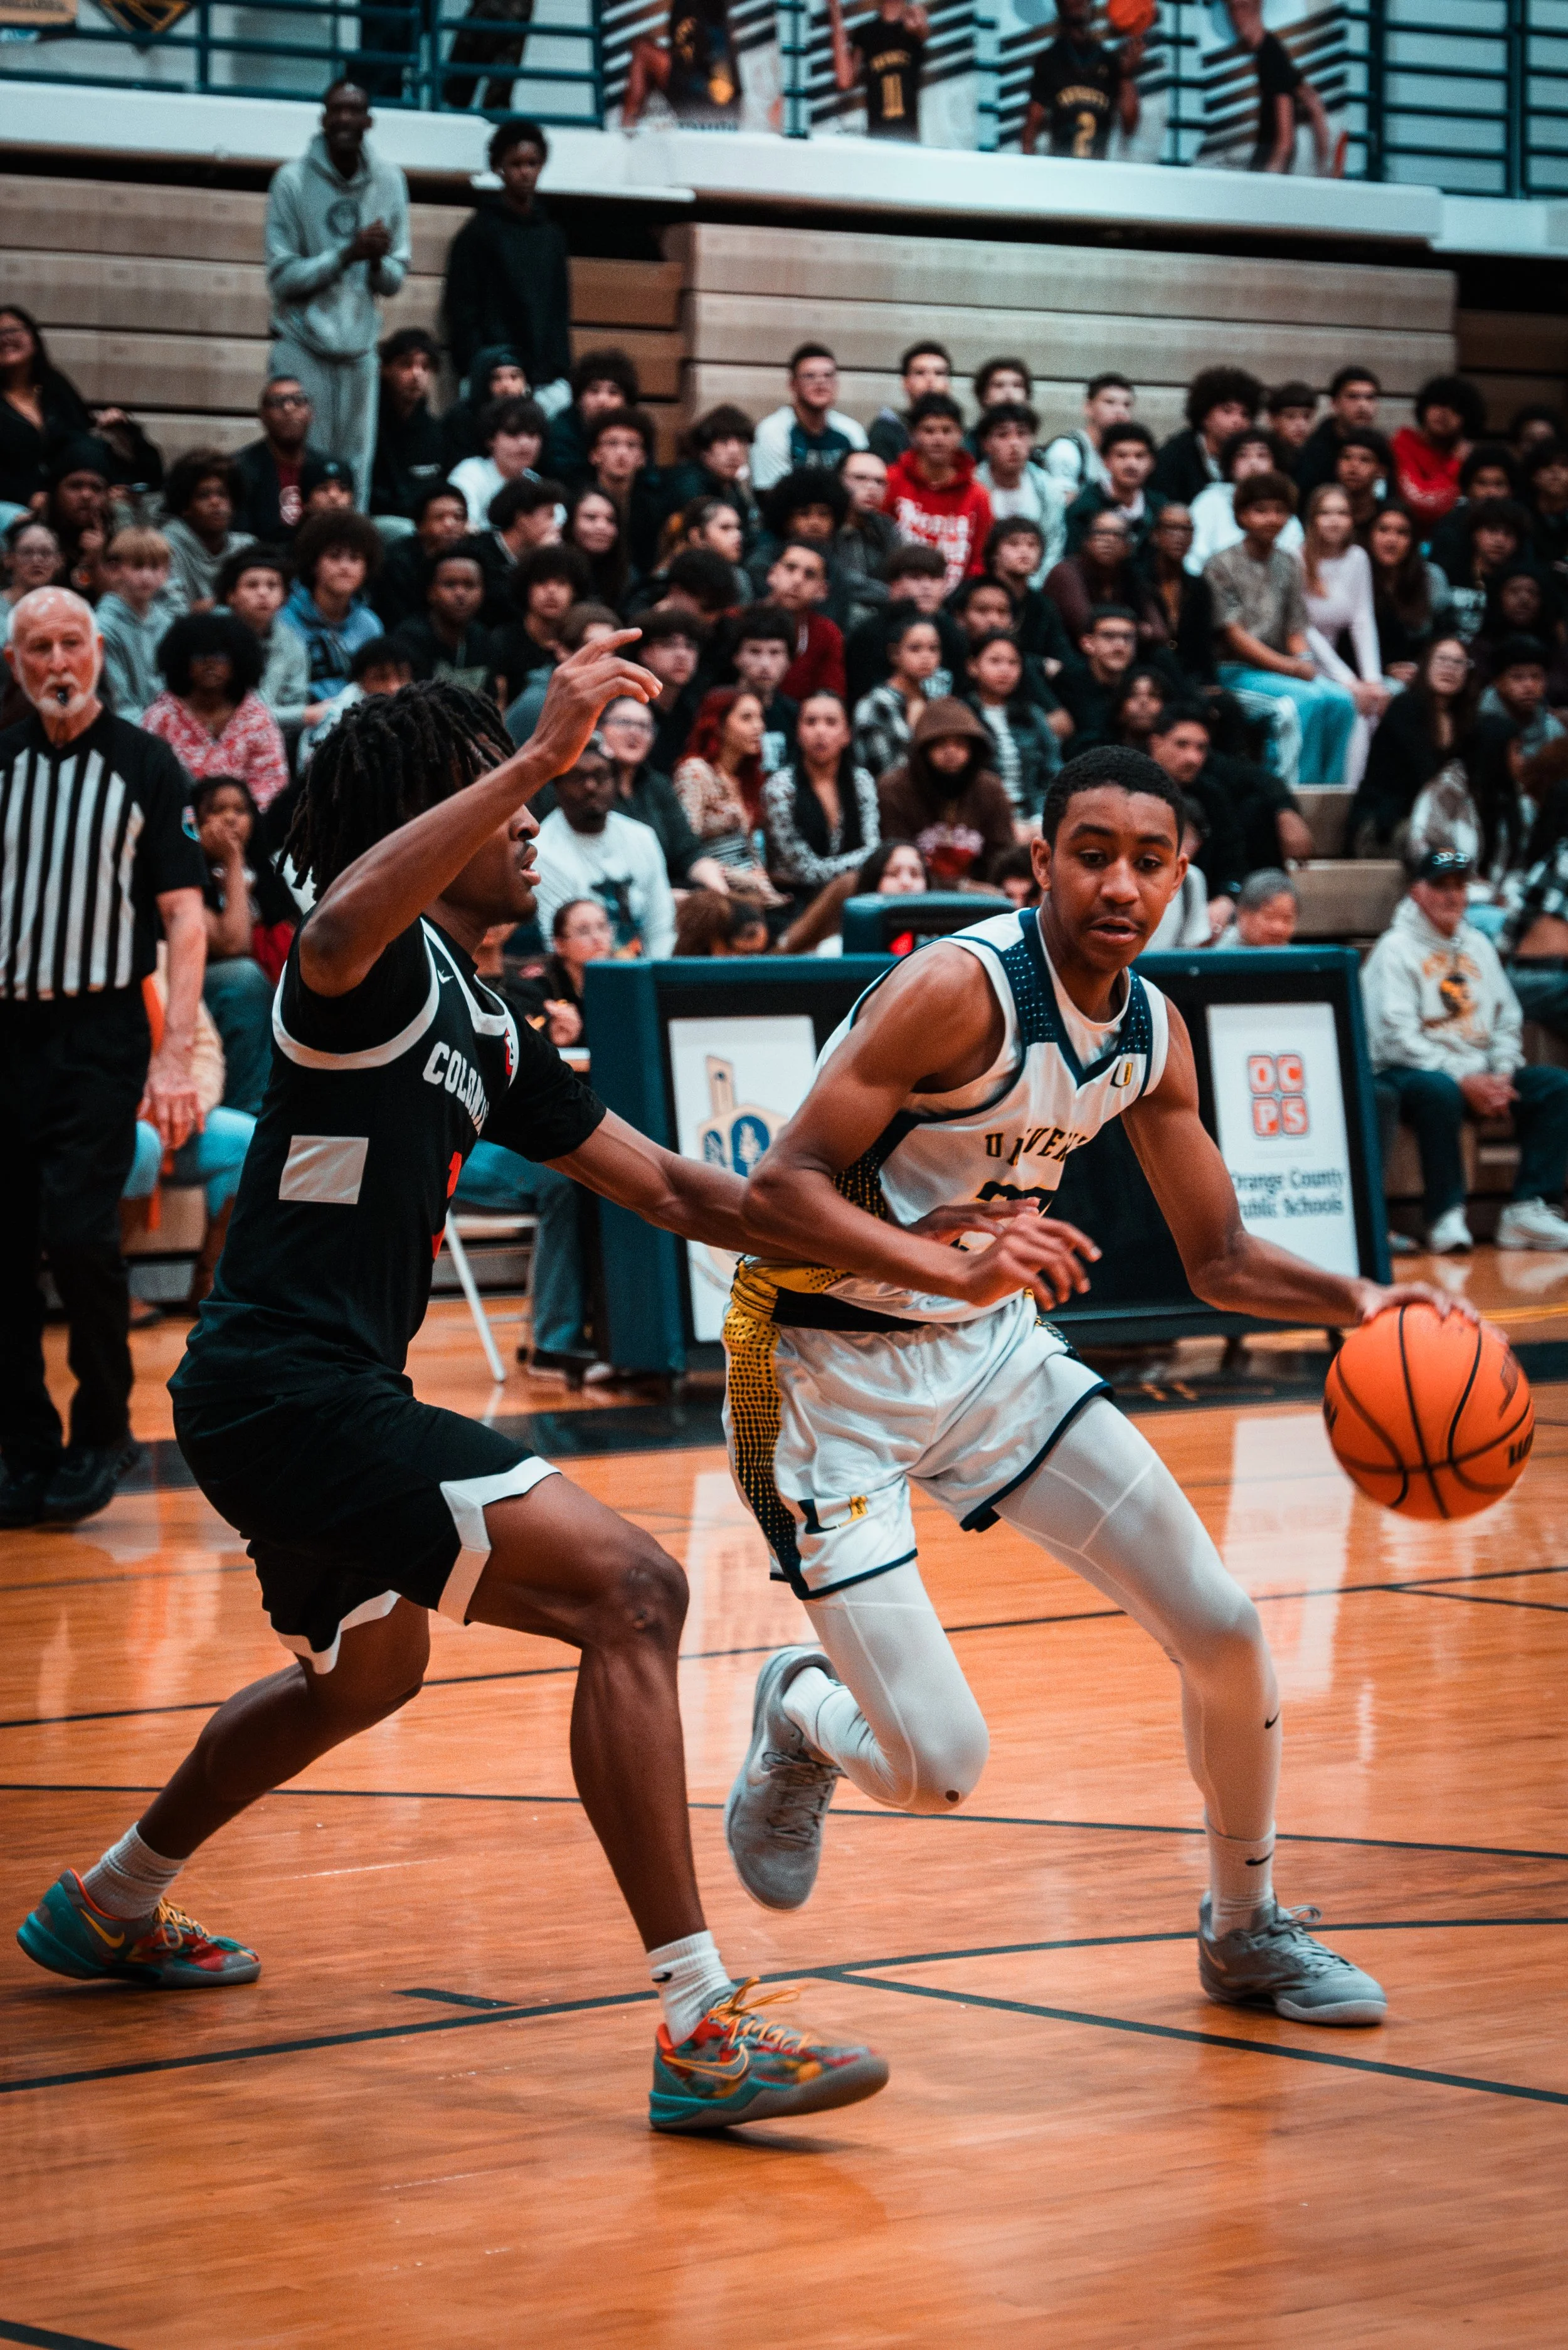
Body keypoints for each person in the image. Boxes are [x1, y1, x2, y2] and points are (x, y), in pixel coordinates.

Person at [14, 644, 884, 2136]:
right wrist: (538, 748)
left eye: (538, 784)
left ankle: (108, 1903)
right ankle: (697, 2020)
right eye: (509, 790)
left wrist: (912, 1254)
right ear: (444, 805)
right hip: (288, 1386)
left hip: (293, 1391)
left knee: (368, 1670)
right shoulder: (365, 970)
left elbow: (675, 1184)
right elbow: (341, 911)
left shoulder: (483, 1020)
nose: (539, 819)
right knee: (635, 1593)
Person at [719, 740, 1473, 2041]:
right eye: (1089, 855)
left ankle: (1244, 1930)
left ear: (1180, 873)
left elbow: (1220, 1258)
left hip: (988, 1359)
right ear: (1037, 862)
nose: (1117, 884)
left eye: (1147, 859)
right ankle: (796, 1710)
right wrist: (944, 1264)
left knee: (1225, 1632)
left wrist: (1364, 1301)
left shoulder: (1147, 1031)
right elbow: (772, 1193)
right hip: (814, 1369)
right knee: (935, 1770)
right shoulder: (953, 991)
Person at [0, 588, 206, 1529]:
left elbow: (184, 918)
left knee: (80, 1233)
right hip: (7, 1030)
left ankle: (102, 1430)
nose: (56, 663)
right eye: (37, 646)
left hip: (100, 1030)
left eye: (70, 644)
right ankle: (23, 1446)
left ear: (97, 652)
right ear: (15, 661)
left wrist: (172, 1058)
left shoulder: (145, 763)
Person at [1364, 847, 1568, 1252]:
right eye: (1441, 886)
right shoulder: (1394, 949)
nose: (1452, 896)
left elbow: (1507, 1018)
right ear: (1417, 892)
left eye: (1459, 886)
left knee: (1555, 1085)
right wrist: (1463, 1078)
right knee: (1439, 1090)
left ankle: (1528, 1208)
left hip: (1479, 1068)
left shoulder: (1478, 945)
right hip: (1407, 1071)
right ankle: (1445, 1215)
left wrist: (1503, 1072)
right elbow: (1395, 1038)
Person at [264, 81, 410, 507]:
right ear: (324, 118)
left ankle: (350, 561)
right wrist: (346, 254)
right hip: (302, 346)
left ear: (369, 121)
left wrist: (379, 260)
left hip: (360, 349)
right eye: (337, 110)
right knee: (299, 466)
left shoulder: (390, 180)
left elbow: (394, 280)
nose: (345, 119)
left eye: (355, 110)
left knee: (355, 475)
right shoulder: (291, 180)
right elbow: (282, 278)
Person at [1207, 470, 1357, 786]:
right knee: (1302, 703)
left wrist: (1303, 661)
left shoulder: (1288, 563)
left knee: (1342, 701)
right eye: (1260, 510)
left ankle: (1328, 799)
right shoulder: (1221, 564)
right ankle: (1291, 799)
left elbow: (1295, 629)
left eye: (1279, 510)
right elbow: (1234, 636)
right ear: (1242, 516)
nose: (1271, 519)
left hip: (1278, 672)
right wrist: (1290, 667)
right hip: (1234, 671)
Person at [443, 118, 572, 407]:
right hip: (494, 375)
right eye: (516, 164)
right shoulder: (478, 233)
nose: (525, 173)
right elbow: (463, 309)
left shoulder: (552, 235)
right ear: (499, 167)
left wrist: (556, 368)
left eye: (533, 163)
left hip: (543, 379)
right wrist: (481, 367)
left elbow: (558, 311)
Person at [191, 773, 297, 1114]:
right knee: (244, 977)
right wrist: (233, 860)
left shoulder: (266, 876)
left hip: (266, 994)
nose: (230, 818)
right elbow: (234, 944)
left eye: (240, 809)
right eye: (217, 810)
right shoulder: (184, 872)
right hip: (199, 993)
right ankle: (250, 1113)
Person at [534, 737, 677, 958]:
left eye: (600, 777)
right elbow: (560, 942)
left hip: (645, 971)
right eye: (578, 778)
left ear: (616, 783)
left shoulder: (642, 837)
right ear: (557, 785)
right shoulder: (541, 851)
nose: (590, 786)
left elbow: (661, 926)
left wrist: (657, 980)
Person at [141, 611, 290, 813]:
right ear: (183, 661)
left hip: (247, 828)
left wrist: (237, 820)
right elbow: (146, 785)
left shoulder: (256, 718)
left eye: (221, 656)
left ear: (238, 660)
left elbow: (271, 782)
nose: (211, 665)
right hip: (175, 826)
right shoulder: (160, 718)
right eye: (201, 656)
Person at [1300, 482, 1391, 790]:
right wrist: (1350, 682)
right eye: (1325, 513)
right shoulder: (1296, 557)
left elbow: (1362, 621)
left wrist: (1373, 679)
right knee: (1353, 704)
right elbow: (1303, 629)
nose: (1334, 520)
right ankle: (1336, 795)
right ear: (1312, 519)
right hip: (1305, 659)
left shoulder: (1357, 558)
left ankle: (1361, 794)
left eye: (1342, 513)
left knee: (1377, 703)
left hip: (1336, 658)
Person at [1351, 633, 1477, 855]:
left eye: (1458, 662)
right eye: (1442, 660)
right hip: (1384, 826)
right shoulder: (1404, 708)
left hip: (1439, 824)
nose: (1450, 668)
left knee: (1464, 840)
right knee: (1445, 849)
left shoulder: (1467, 721)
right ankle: (1443, 885)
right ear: (1426, 664)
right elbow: (1425, 775)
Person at [596, 691, 729, 891]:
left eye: (644, 726)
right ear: (599, 729)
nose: (635, 732)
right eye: (624, 723)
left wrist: (719, 891)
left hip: (671, 890)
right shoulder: (587, 787)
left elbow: (688, 852)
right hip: (613, 895)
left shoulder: (658, 785)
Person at [876, 695, 1014, 884]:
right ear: (923, 749)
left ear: (974, 749)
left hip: (981, 898)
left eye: (960, 743)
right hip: (911, 894)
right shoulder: (894, 790)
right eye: (941, 744)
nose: (951, 751)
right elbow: (892, 861)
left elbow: (1003, 857)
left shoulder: (990, 789)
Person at [762, 690, 880, 902]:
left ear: (847, 735)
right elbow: (805, 870)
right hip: (795, 900)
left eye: (831, 722)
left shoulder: (861, 781)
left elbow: (873, 845)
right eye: (811, 722)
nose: (820, 731)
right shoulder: (780, 788)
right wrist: (866, 863)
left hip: (857, 898)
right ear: (798, 733)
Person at [673, 687, 782, 902]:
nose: (758, 727)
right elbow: (687, 849)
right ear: (718, 725)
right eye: (746, 718)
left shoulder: (745, 778)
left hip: (751, 890)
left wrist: (769, 892)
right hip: (711, 890)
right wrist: (747, 881)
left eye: (760, 717)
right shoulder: (695, 771)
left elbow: (750, 851)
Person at [882, 393, 993, 595]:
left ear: (960, 435)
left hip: (955, 604)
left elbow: (979, 561)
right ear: (913, 435)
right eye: (929, 430)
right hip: (894, 598)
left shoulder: (978, 495)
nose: (938, 439)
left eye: (947, 431)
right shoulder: (892, 479)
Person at [278, 510, 385, 711]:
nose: (345, 567)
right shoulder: (284, 618)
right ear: (314, 564)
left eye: (354, 559)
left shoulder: (369, 624)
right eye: (334, 557)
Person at [0, 304, 93, 512]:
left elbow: (82, 437)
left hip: (66, 504)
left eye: (12, 330)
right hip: (10, 505)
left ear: (34, 339)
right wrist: (27, 496)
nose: (5, 338)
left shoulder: (55, 386)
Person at [965, 627, 1061, 822]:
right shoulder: (961, 714)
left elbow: (1054, 773)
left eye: (1013, 663)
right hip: (981, 820)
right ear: (973, 667)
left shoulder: (1033, 715)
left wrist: (1042, 817)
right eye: (995, 661)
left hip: (1034, 815)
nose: (1005, 670)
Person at [1021, 0, 1141, 157]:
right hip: (1061, 169)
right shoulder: (1049, 60)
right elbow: (1032, 125)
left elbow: (1129, 127)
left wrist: (1126, 77)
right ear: (1060, 5)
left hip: (1098, 172)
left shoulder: (1108, 61)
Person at [1227, 0, 1334, 172]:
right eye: (1231, 8)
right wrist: (1324, 167)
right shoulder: (1269, 51)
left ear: (1258, 5)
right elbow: (1313, 103)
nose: (1237, 17)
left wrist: (1270, 179)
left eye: (1243, 7)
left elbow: (1285, 139)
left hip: (1267, 169)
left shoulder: (1271, 56)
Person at [1184, 426, 1303, 578]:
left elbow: (1293, 556)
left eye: (1262, 455)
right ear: (1231, 466)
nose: (1253, 463)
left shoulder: (1282, 506)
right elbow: (1194, 557)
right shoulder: (1211, 500)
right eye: (1243, 456)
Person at [751, 345, 869, 494]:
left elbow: (863, 489)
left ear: (836, 384)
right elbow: (772, 496)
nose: (820, 382)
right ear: (793, 384)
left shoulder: (852, 431)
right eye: (809, 376)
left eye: (828, 376)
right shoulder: (772, 431)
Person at [95, 526, 183, 722]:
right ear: (115, 569)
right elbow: (118, 700)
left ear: (166, 571)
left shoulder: (167, 623)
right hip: (127, 729)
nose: (146, 576)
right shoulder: (104, 627)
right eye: (137, 567)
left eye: (154, 567)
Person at [1045, 511, 1165, 650]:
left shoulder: (1130, 574)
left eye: (1117, 535)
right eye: (1100, 533)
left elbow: (1160, 631)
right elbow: (1088, 625)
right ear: (1087, 542)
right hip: (1073, 654)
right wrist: (1140, 630)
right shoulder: (1066, 572)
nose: (1108, 540)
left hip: (1118, 651)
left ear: (1128, 547)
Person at [233, 378, 332, 543]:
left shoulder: (328, 468)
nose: (289, 408)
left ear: (311, 413)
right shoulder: (240, 469)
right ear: (263, 416)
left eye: (298, 400)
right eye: (278, 402)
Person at [160, 448, 254, 615]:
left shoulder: (246, 548)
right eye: (204, 495)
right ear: (185, 507)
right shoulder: (164, 547)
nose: (216, 503)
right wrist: (233, 604)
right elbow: (172, 615)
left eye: (223, 494)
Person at [975, 403, 1065, 579]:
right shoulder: (973, 486)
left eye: (1022, 434)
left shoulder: (1048, 490)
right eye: (1003, 435)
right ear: (986, 444)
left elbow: (1052, 548)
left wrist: (1031, 588)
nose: (1014, 443)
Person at [368, 327, 447, 524]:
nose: (416, 374)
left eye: (425, 367)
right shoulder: (368, 426)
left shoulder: (435, 431)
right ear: (385, 369)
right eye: (406, 365)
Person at [622, 0, 744, 127]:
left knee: (642, 50)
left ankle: (628, 128)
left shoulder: (711, 8)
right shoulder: (684, 7)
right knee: (646, 53)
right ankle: (637, 126)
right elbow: (681, 51)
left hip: (707, 95)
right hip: (698, 89)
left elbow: (714, 53)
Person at [1153, 368, 1264, 506]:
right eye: (1227, 411)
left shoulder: (1255, 458)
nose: (1237, 421)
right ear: (1205, 415)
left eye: (1245, 414)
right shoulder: (1174, 455)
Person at [854, 608, 942, 776]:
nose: (926, 656)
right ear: (895, 654)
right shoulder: (874, 705)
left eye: (933, 649)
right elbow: (887, 775)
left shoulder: (936, 701)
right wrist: (916, 729)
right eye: (915, 648)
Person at [373, 482, 471, 634]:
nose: (450, 524)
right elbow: (396, 619)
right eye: (440, 517)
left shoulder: (471, 558)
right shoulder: (396, 563)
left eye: (458, 517)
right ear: (420, 524)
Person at [1392, 376, 1487, 531]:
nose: (1444, 413)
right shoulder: (1402, 444)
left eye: (1456, 409)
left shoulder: (1472, 456)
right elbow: (1420, 504)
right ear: (1425, 407)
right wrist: (1456, 464)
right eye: (1438, 404)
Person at [1367, 502, 1449, 682]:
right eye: (1383, 530)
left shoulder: (1432, 579)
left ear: (1413, 541)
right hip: (1369, 675)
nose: (1391, 540)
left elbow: (1443, 638)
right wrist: (1384, 669)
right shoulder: (1357, 575)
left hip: (1423, 677)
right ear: (1370, 535)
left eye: (1402, 533)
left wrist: (1422, 669)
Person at [828, 0, 928, 141]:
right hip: (878, 138)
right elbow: (845, 80)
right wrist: (835, 9)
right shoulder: (866, 33)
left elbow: (922, 29)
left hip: (909, 138)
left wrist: (916, 16)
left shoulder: (913, 28)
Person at [449, 394, 548, 533]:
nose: (525, 443)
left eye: (532, 435)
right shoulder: (471, 474)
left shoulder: (537, 483)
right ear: (491, 439)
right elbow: (462, 526)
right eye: (513, 434)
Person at [1065, 419, 1163, 559]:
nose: (1131, 464)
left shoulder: (1159, 507)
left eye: (1140, 456)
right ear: (1105, 461)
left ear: (1152, 462)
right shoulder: (1083, 510)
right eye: (1121, 456)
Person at [664, 405, 760, 548]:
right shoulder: (688, 485)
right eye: (723, 442)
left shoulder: (731, 487)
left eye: (742, 442)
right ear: (704, 449)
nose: (734, 451)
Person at [764, 539, 846, 701]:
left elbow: (830, 695)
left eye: (809, 575)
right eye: (790, 568)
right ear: (772, 574)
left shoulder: (827, 633)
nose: (797, 580)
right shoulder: (737, 619)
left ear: (822, 591)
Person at [1051, 602, 1142, 749]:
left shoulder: (1140, 684)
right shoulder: (1066, 685)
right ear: (1088, 643)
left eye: (1128, 637)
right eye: (1109, 636)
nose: (1120, 645)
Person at [546, 347, 641, 482]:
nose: (602, 400)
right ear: (579, 398)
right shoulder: (559, 432)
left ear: (626, 402)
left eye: (613, 392)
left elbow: (648, 480)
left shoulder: (638, 429)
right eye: (594, 391)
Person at [1042, 371, 1135, 503]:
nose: (1120, 411)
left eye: (1126, 405)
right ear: (1088, 407)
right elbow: (1061, 509)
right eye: (1110, 402)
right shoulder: (1067, 450)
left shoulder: (1126, 455)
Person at [1295, 367, 1383, 497]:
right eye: (1353, 397)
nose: (1363, 405)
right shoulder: (1312, 452)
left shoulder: (1383, 449)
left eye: (1370, 398)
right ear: (1334, 403)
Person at [867, 344, 951, 469]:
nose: (930, 380)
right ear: (905, 382)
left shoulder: (958, 431)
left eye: (939, 373)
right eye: (920, 373)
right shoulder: (885, 430)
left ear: (948, 383)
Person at [1, 518, 63, 644]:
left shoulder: (69, 608)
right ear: (9, 559)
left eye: (46, 553)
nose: (37, 560)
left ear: (59, 561)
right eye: (27, 553)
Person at [1214, 864, 1299, 947]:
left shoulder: (1293, 958)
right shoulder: (1222, 954)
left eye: (1287, 919)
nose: (1279, 928)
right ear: (1243, 914)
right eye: (1269, 917)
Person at [1264, 381, 1319, 467]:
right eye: (1291, 416)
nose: (1301, 424)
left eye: (1307, 417)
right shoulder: (1263, 456)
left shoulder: (1317, 455)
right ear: (1273, 419)